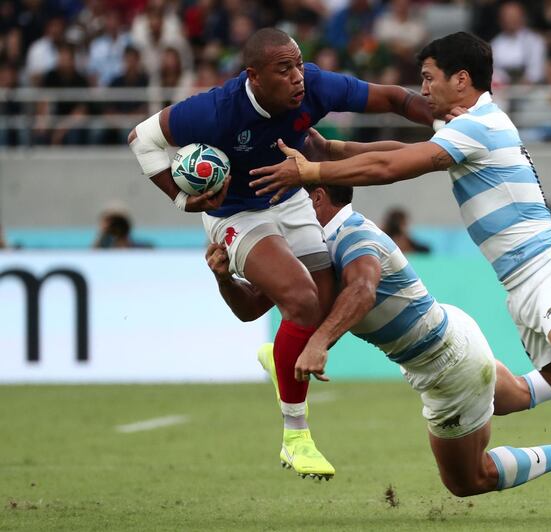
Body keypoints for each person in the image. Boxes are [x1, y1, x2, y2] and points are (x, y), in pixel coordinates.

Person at [249, 32, 551, 527]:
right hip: (523, 289)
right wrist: (335, 147)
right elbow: (399, 150)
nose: (421, 91)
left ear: (461, 80)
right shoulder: (467, 128)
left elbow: (393, 165)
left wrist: (314, 170)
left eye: (428, 78)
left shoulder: (480, 125)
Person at [206, 184, 551, 499]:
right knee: (519, 395)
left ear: (316, 198)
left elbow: (362, 288)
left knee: (469, 481)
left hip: (445, 365)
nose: (279, 206)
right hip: (453, 334)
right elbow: (253, 307)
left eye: (288, 195)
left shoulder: (352, 234)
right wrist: (225, 277)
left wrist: (318, 343)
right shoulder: (310, 252)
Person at [127, 27, 434, 481]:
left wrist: (451, 123)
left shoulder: (315, 86)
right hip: (235, 215)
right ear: (254, 77)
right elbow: (141, 138)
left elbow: (393, 98)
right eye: (284, 69)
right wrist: (181, 198)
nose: (298, 78)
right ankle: (297, 437)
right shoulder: (212, 111)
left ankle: (281, 357)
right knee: (304, 302)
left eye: (298, 64)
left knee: (320, 303)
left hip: (289, 195)